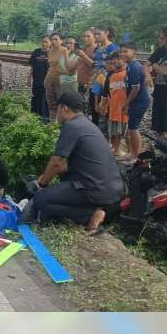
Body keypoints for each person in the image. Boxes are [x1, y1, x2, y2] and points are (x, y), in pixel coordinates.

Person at [26, 91, 124, 234]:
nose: (57, 113)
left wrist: (41, 184)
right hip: (112, 188)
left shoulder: (72, 126)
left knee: (40, 199)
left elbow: (56, 162)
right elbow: (68, 165)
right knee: (64, 178)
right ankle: (96, 209)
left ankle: (90, 215)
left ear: (64, 108)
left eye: (57, 109)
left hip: (95, 189)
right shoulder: (88, 125)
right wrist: (46, 175)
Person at [118, 42, 151, 161]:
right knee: (131, 128)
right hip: (135, 101)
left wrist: (126, 103)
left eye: (126, 51)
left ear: (134, 53)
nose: (122, 54)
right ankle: (132, 152)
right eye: (121, 51)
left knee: (133, 128)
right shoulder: (130, 66)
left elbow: (135, 88)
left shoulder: (135, 67)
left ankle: (136, 155)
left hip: (140, 101)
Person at [105, 52, 129, 157]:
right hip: (114, 108)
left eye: (117, 60)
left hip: (124, 108)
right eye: (112, 61)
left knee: (127, 132)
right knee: (115, 132)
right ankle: (116, 149)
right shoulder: (112, 75)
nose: (115, 63)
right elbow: (108, 92)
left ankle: (131, 152)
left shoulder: (128, 73)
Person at [75, 29, 98, 118]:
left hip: (89, 84)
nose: (85, 38)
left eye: (88, 36)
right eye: (84, 36)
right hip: (81, 82)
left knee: (87, 109)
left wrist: (84, 56)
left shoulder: (96, 49)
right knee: (81, 107)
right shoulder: (84, 48)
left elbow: (94, 65)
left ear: (94, 37)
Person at [44, 33, 68, 120]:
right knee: (51, 103)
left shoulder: (65, 50)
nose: (53, 41)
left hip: (60, 80)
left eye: (56, 39)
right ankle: (52, 123)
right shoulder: (50, 51)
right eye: (52, 40)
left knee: (61, 103)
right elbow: (50, 66)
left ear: (61, 41)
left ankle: (60, 123)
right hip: (49, 80)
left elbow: (67, 66)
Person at [29, 35, 51, 122]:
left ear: (50, 43)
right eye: (43, 41)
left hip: (47, 82)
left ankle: (43, 117)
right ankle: (33, 114)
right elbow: (32, 66)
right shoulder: (36, 52)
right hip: (36, 80)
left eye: (46, 42)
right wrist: (28, 78)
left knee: (44, 100)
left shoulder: (52, 53)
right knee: (35, 97)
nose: (44, 43)